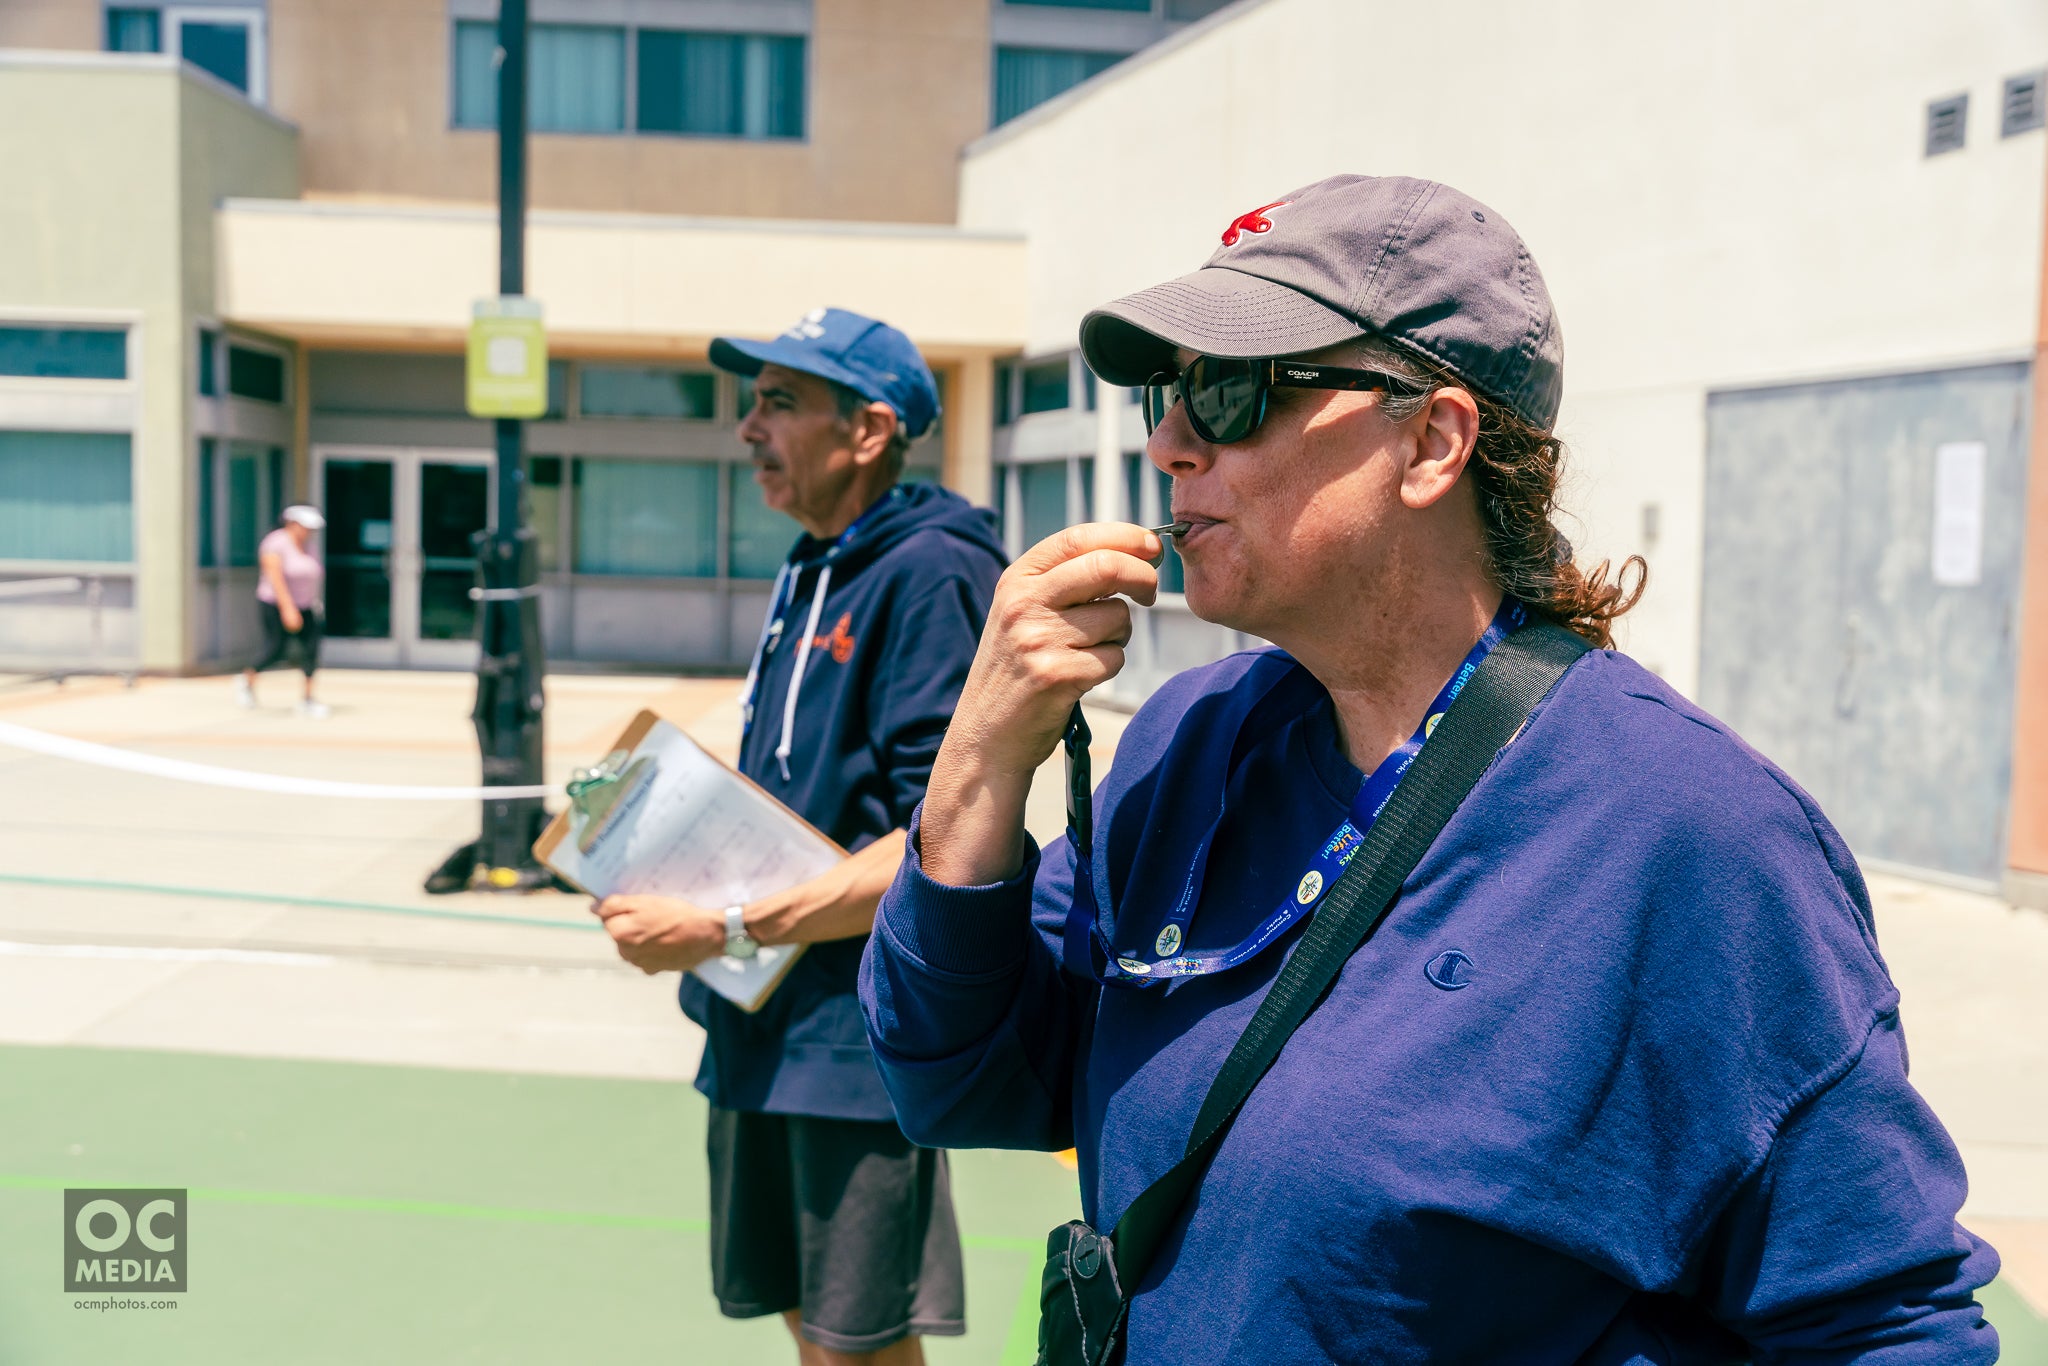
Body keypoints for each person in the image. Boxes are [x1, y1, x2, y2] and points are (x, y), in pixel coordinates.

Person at [859, 176, 2001, 1363]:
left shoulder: (1690, 834)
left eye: (1231, 389)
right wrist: (980, 765)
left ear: (1432, 441)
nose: (1168, 442)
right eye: (1167, 390)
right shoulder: (1187, 740)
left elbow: (1885, 1324)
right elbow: (958, 1082)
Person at [592, 308, 1006, 1365]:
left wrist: (723, 924)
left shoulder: (930, 572)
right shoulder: (809, 564)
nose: (746, 426)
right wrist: (650, 818)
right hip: (758, 1024)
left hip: (850, 1040)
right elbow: (801, 788)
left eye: (779, 401)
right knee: (802, 1321)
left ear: (866, 432)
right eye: (751, 400)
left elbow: (939, 842)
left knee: (854, 1342)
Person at [238, 504, 328, 718]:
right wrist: (287, 608)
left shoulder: (309, 546)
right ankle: (247, 681)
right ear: (292, 524)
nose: (309, 532)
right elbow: (275, 578)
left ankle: (307, 699)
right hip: (276, 604)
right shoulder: (275, 543)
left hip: (307, 605)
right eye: (306, 527)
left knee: (310, 651)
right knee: (276, 649)